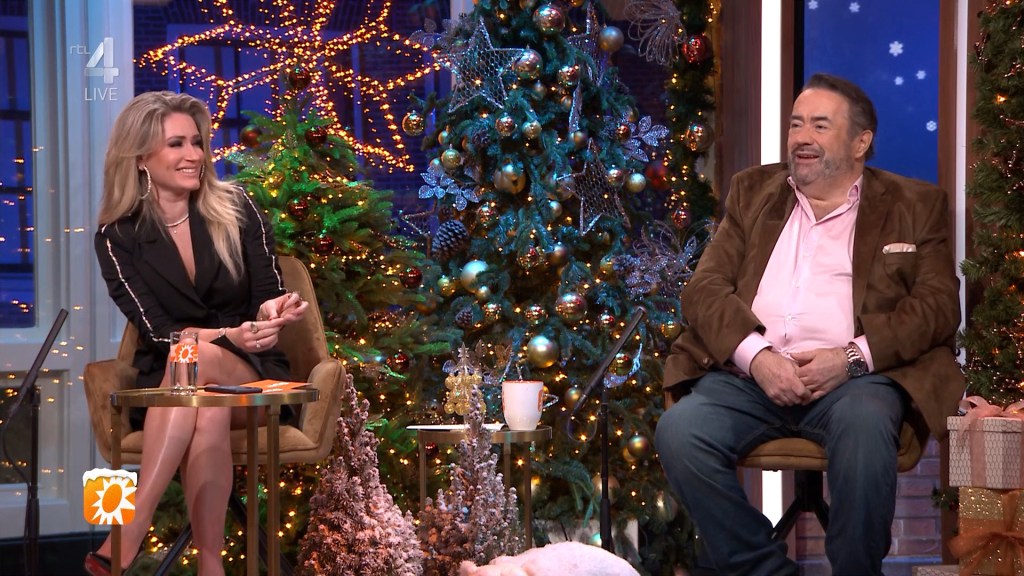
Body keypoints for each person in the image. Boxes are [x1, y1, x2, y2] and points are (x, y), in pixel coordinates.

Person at [655, 73, 964, 575]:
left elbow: (937, 306)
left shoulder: (914, 204)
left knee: (865, 425)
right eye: (796, 124)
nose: (802, 137)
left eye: (820, 125)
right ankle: (764, 570)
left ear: (861, 142)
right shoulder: (753, 192)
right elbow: (704, 290)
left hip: (855, 382)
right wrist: (758, 359)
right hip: (752, 379)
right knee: (681, 430)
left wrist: (850, 359)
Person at [88, 91, 309, 576]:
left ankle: (134, 522)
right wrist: (229, 332)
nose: (194, 155)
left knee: (193, 357)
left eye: (197, 142)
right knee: (203, 401)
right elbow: (156, 331)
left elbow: (267, 293)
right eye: (176, 144)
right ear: (140, 157)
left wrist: (274, 310)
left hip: (254, 373)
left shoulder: (237, 206)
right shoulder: (117, 236)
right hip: (171, 379)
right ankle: (212, 565)